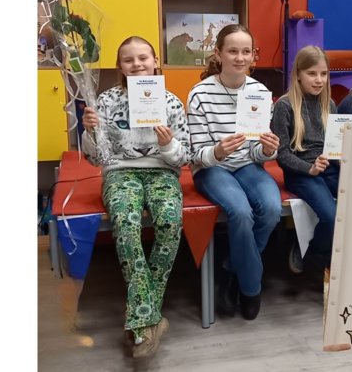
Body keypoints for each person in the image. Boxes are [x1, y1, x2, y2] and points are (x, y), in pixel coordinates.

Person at [81, 36, 191, 358]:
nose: (137, 64)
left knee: (170, 221)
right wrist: (90, 132)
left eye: (143, 57)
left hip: (162, 172)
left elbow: (183, 158)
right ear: (120, 66)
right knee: (126, 224)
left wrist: (168, 144)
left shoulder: (170, 102)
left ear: (155, 61)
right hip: (120, 172)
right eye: (129, 59)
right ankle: (148, 323)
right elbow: (95, 158)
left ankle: (143, 316)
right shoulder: (106, 101)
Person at [187, 24, 281, 321]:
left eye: (246, 52)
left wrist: (268, 150)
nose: (240, 58)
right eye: (232, 51)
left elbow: (258, 152)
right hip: (212, 168)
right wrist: (217, 152)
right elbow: (194, 155)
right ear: (218, 54)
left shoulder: (259, 92)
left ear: (253, 55)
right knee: (240, 212)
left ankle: (231, 267)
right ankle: (250, 288)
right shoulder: (200, 94)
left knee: (272, 208)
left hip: (247, 165)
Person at [270, 46, 338, 273]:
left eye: (324, 74)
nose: (319, 80)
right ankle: (309, 251)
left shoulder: (329, 104)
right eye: (312, 74)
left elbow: (336, 145)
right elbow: (282, 155)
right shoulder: (284, 105)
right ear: (298, 74)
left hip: (329, 168)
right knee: (331, 216)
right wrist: (310, 169)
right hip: (301, 173)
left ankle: (332, 256)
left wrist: (342, 158)